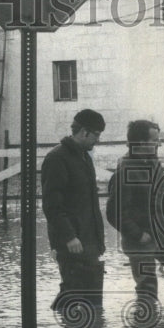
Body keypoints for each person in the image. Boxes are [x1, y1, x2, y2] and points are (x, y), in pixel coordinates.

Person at [106, 119, 164, 306]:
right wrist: (138, 234)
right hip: (139, 240)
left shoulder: (153, 162)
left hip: (160, 234)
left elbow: (161, 195)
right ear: (141, 143)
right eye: (154, 140)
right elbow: (114, 213)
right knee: (147, 288)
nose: (158, 143)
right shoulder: (125, 170)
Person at [41, 109, 106, 313]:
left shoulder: (85, 158)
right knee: (73, 294)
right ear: (84, 132)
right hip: (71, 244)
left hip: (89, 241)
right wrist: (69, 237)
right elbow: (52, 205)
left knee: (93, 302)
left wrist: (98, 240)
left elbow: (90, 203)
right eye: (96, 134)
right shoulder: (57, 158)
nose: (98, 140)